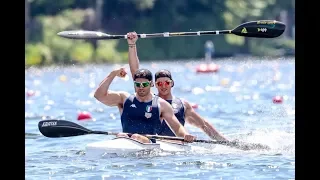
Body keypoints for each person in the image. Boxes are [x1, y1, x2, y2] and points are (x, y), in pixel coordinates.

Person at [126, 31, 229, 141]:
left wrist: (224, 142)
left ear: (172, 83)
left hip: (177, 147)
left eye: (166, 83)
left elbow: (204, 125)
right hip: (153, 145)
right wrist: (132, 45)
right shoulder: (151, 100)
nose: (163, 86)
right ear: (154, 85)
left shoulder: (183, 105)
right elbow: (135, 73)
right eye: (160, 83)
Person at [94, 67, 197, 144]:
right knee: (122, 135)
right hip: (125, 140)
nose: (141, 87)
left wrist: (186, 135)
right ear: (134, 84)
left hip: (148, 146)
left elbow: (177, 127)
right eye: (138, 85)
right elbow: (99, 95)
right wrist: (113, 73)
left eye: (145, 84)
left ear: (151, 84)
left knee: (135, 137)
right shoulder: (124, 99)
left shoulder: (162, 105)